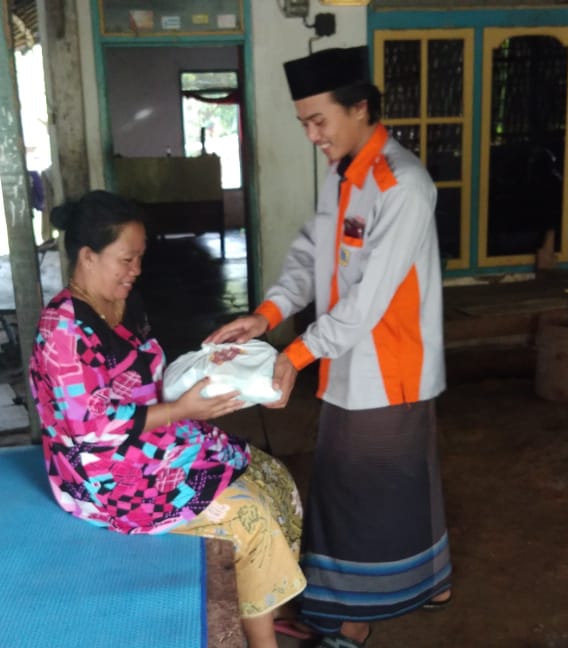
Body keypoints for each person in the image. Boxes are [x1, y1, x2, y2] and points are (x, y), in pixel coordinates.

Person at [205, 45, 452, 647]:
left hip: (389, 368)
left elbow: (368, 301)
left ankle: (351, 620)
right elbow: (311, 253)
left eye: (319, 120)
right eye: (304, 124)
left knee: (359, 491)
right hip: (349, 360)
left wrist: (294, 356)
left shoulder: (402, 186)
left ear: (359, 107)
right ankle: (432, 584)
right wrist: (267, 315)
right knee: (395, 481)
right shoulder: (347, 174)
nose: (313, 135)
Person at [27, 190, 305, 648]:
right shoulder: (63, 330)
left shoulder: (123, 303)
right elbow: (89, 429)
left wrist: (213, 366)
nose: (136, 270)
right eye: (126, 259)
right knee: (248, 515)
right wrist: (181, 410)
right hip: (105, 475)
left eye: (140, 258)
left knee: (271, 476)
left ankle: (264, 602)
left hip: (156, 435)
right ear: (88, 256)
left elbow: (153, 375)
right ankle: (261, 638)